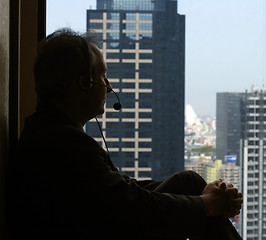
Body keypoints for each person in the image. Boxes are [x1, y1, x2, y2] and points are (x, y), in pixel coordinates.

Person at [8, 28, 243, 240]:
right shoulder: (66, 144)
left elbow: (119, 192)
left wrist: (203, 199)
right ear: (84, 83)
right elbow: (132, 207)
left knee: (189, 183)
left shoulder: (50, 133)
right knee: (191, 190)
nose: (109, 87)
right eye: (102, 76)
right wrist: (205, 205)